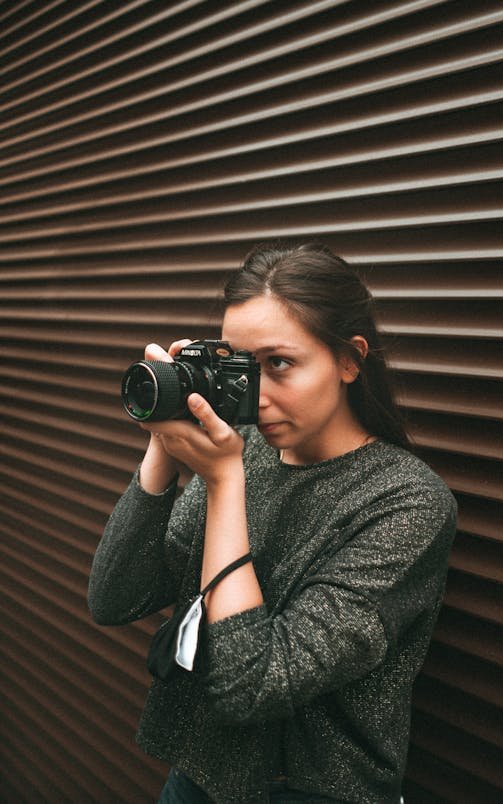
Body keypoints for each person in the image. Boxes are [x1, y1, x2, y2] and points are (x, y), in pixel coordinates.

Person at [88, 242, 456, 804]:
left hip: (308, 789)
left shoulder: (407, 502)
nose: (252, 394)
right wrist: (164, 440)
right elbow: (115, 598)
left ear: (350, 360)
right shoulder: (247, 455)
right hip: (198, 776)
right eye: (238, 366)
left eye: (278, 364)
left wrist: (222, 481)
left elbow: (249, 685)